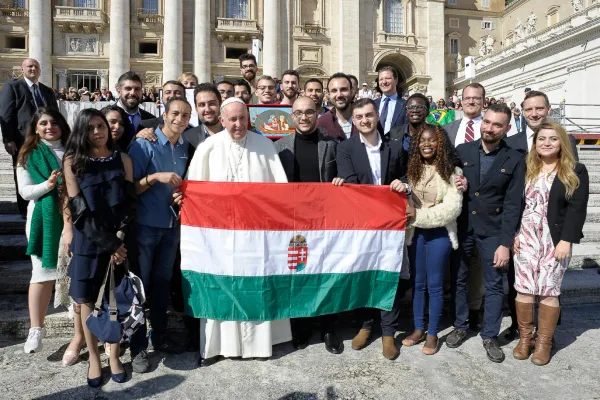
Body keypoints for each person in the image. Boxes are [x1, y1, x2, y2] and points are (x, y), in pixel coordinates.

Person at [186, 97, 290, 366]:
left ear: (249, 118)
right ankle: (218, 345)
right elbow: (195, 192)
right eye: (232, 119)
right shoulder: (208, 147)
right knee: (220, 287)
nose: (238, 124)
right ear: (222, 120)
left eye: (243, 118)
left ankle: (260, 343)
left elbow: (280, 192)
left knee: (257, 284)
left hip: (257, 237)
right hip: (220, 240)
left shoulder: (265, 146)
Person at [446, 104, 526, 363]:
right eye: (487, 122)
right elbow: (449, 180)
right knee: (459, 279)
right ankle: (460, 325)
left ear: (506, 128)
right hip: (464, 227)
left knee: (493, 285)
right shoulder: (463, 150)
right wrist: (459, 184)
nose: (489, 128)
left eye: (497, 124)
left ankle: (489, 335)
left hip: (494, 231)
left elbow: (514, 204)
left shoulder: (514, 159)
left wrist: (505, 243)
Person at [62, 108, 134, 386]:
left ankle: (114, 356)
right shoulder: (73, 162)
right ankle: (94, 357)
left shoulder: (124, 159)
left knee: (115, 302)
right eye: (91, 127)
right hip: (88, 240)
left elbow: (128, 204)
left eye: (101, 125)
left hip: (119, 239)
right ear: (83, 131)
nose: (98, 131)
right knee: (86, 303)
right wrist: (110, 243)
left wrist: (120, 237)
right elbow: (78, 209)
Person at [336, 98, 410, 360]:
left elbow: (405, 175)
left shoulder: (395, 146)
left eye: (369, 115)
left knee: (390, 276)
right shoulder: (345, 149)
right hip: (362, 226)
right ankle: (366, 325)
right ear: (353, 121)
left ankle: (389, 333)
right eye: (359, 117)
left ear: (377, 116)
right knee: (363, 276)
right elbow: (354, 185)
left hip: (390, 225)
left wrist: (404, 185)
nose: (365, 120)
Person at [512, 122, 589, 366]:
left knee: (548, 291)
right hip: (525, 238)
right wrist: (514, 233)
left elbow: (577, 210)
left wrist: (566, 240)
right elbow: (516, 204)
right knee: (523, 289)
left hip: (554, 240)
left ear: (561, 143)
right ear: (534, 144)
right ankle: (526, 339)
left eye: (553, 139)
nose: (546, 142)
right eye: (541, 138)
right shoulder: (526, 169)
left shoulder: (575, 170)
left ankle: (544, 341)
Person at [274, 97, 343, 354]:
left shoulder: (332, 146)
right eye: (299, 113)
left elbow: (344, 179)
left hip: (324, 223)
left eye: (309, 113)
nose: (304, 118)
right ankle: (301, 326)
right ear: (292, 116)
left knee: (326, 274)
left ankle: (328, 328)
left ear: (318, 114)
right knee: (298, 273)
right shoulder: (280, 148)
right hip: (294, 224)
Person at [127, 98, 191, 373]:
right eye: (175, 113)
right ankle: (138, 347)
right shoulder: (144, 144)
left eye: (186, 115)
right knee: (139, 288)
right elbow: (130, 189)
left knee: (162, 284)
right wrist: (155, 178)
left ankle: (160, 337)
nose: (180, 118)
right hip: (145, 226)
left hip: (171, 227)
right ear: (164, 115)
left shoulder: (186, 146)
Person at [402, 124, 463, 355]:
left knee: (435, 286)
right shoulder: (412, 169)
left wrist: (419, 216)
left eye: (432, 140)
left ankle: (432, 333)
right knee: (418, 284)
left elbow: (452, 209)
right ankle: (418, 328)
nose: (427, 145)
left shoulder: (452, 172)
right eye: (422, 141)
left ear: (441, 143)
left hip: (439, 234)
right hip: (416, 234)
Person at [16, 108, 70, 355]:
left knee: (73, 268)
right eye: (44, 123)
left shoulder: (74, 149)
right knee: (42, 272)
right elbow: (25, 192)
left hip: (73, 219)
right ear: (35, 128)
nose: (50, 127)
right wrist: (47, 185)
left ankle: (75, 316)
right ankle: (36, 328)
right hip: (43, 218)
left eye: (54, 122)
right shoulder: (28, 154)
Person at [0, 58, 59, 218]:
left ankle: (45, 206)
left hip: (46, 141)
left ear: (40, 70)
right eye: (29, 66)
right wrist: (8, 139)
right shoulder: (12, 87)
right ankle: (25, 210)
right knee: (23, 173)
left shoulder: (47, 91)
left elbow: (56, 115)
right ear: (22, 69)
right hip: (22, 140)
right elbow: (6, 114)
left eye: (36, 67)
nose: (33, 69)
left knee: (46, 172)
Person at [506, 90, 578, 160]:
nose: (534, 114)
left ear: (549, 109)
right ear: (523, 112)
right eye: (529, 109)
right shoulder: (508, 143)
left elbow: (573, 170)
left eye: (539, 109)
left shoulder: (566, 140)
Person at [115, 71, 156, 142]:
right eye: (128, 88)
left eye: (137, 89)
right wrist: (135, 138)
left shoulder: (151, 119)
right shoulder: (104, 117)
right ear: (119, 91)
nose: (133, 93)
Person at [316, 72, 357, 140]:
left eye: (343, 89)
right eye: (334, 91)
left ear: (352, 91)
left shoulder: (365, 119)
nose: (339, 95)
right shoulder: (322, 123)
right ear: (329, 94)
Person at [374, 66, 408, 135]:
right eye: (381, 79)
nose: (384, 82)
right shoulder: (372, 104)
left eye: (388, 78)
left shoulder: (406, 105)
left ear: (396, 80)